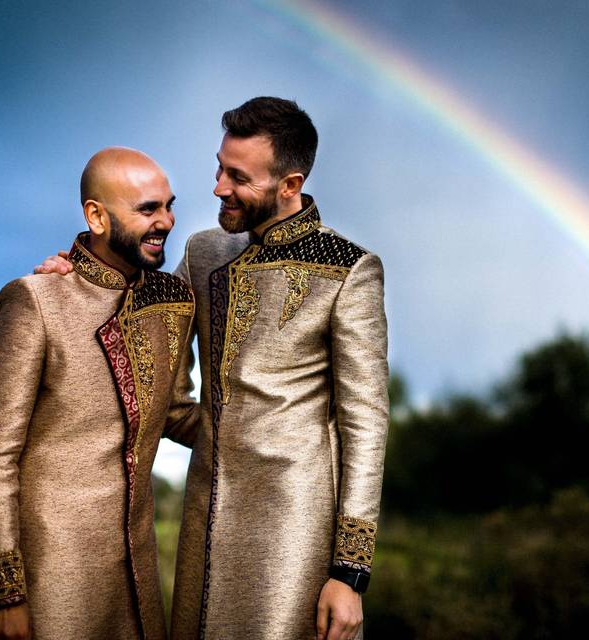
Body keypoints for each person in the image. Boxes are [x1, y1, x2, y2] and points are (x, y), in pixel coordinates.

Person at [38, 97, 389, 640]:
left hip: (294, 529)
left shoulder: (349, 271)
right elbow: (136, 317)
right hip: (203, 522)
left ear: (290, 184)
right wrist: (76, 275)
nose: (218, 186)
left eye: (238, 176)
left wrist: (350, 572)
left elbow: (366, 426)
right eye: (219, 167)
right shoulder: (203, 253)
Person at [0, 147, 198, 640]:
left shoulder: (173, 302)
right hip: (51, 573)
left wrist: (275, 425)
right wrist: (5, 593)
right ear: (96, 215)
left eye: (168, 205)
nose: (166, 221)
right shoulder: (35, 300)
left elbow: (177, 412)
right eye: (147, 209)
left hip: (137, 574)